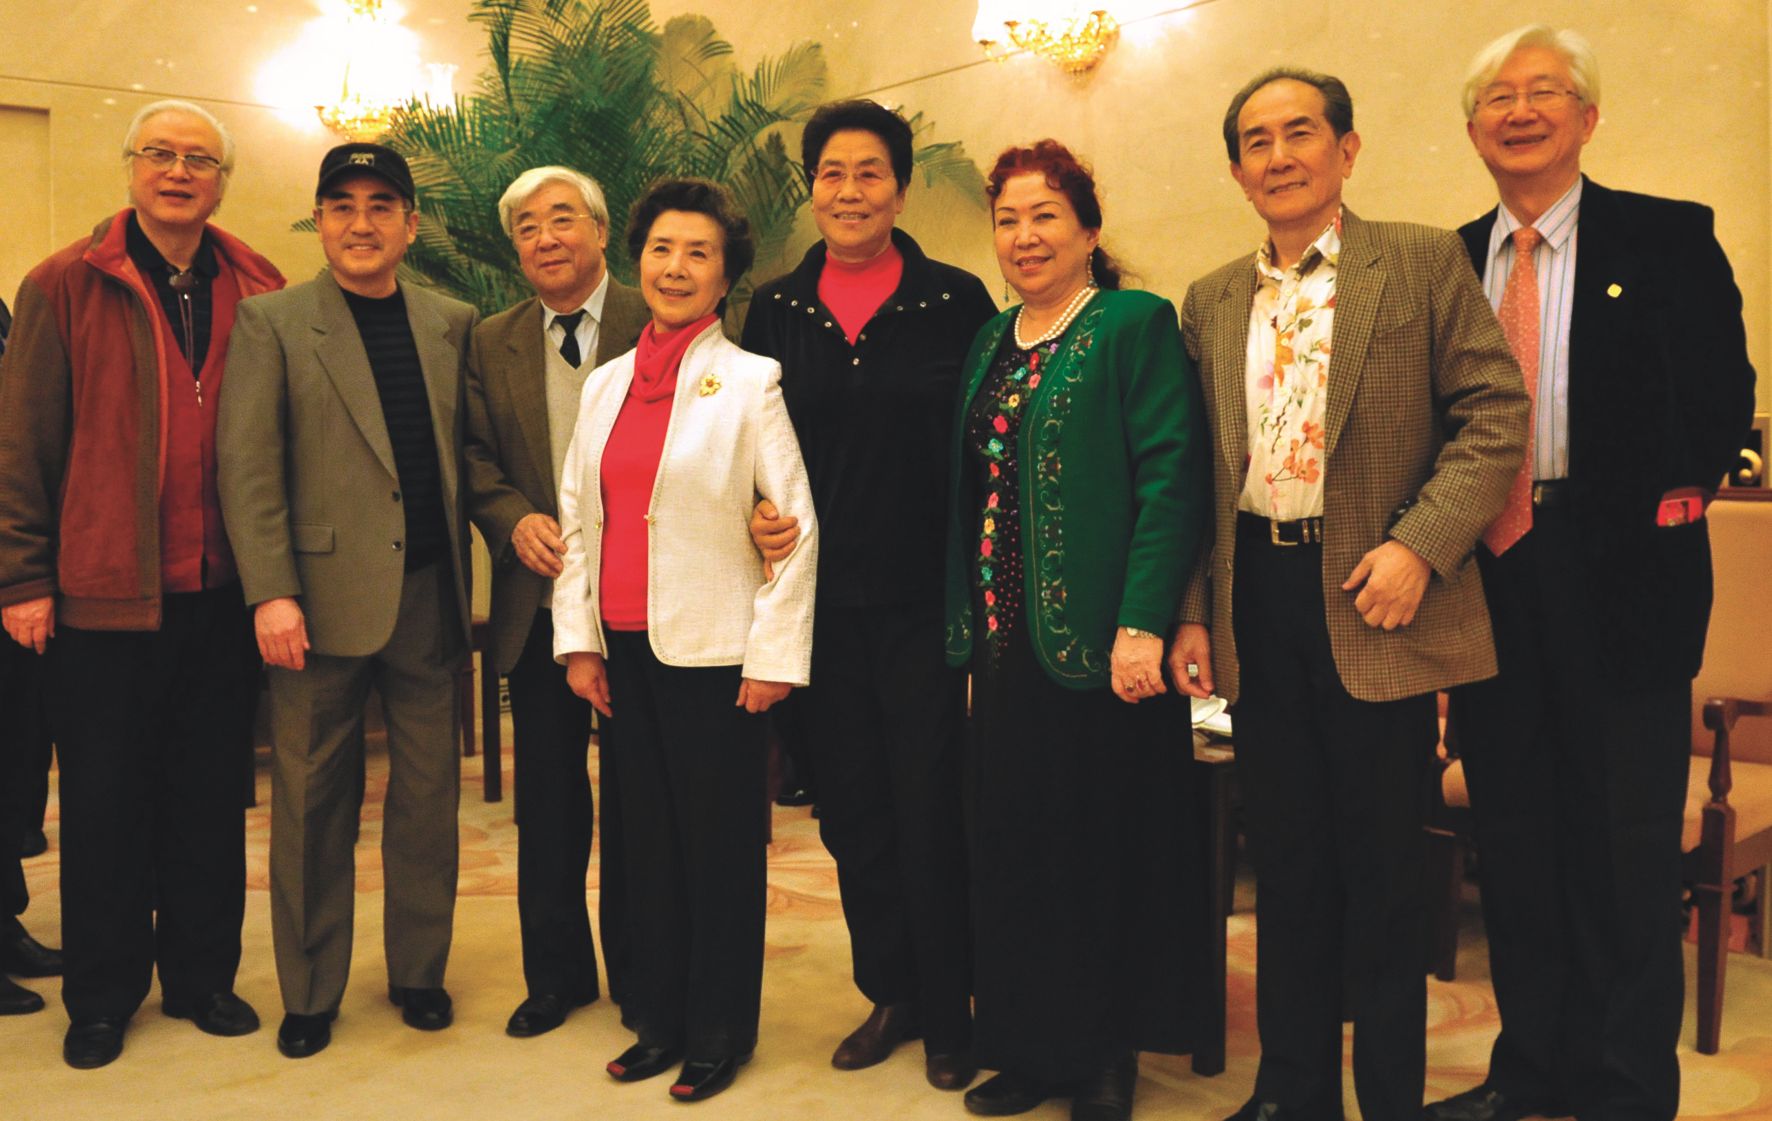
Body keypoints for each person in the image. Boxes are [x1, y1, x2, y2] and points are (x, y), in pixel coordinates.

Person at [1169, 69, 1528, 1121]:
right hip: (1257, 594)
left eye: (1299, 133)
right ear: (1235, 169)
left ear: (1346, 149)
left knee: (1383, 875)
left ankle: (1388, 1101)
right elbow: (1194, 473)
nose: (1278, 155)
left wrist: (1420, 545)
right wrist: (1192, 609)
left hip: (1378, 596)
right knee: (1283, 866)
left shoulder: (1416, 260)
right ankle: (1292, 1092)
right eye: (1256, 141)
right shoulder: (1210, 297)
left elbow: (1494, 413)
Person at [1425, 27, 1757, 1121]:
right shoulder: (1447, 260)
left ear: (1586, 117)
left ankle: (1622, 1088)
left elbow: (1721, 390)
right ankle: (1529, 1068)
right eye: (1497, 97)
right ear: (1472, 128)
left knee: (1622, 848)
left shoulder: (1665, 236)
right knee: (1515, 839)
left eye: (1544, 92)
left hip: (1622, 574)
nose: (1519, 111)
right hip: (1490, 573)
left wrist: (1671, 495)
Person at [0, 99, 284, 1068]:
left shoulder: (258, 283)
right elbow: (22, 444)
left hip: (221, 594)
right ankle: (102, 995)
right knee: (105, 805)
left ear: (221, 181)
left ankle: (202, 978)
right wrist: (22, 575)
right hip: (102, 597)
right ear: (130, 167)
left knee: (209, 801)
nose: (178, 171)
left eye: (199, 159)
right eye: (159, 153)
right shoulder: (63, 284)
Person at [943, 139, 1208, 1121]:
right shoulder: (990, 339)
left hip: (1105, 649)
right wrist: (968, 635)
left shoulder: (1134, 322)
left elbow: (1171, 476)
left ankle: (1102, 1056)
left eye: (1044, 215)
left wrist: (1142, 621)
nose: (1024, 236)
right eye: (1007, 219)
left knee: (1101, 850)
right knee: (1017, 848)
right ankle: (1029, 1048)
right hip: (1008, 649)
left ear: (1089, 230)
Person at [741, 98, 996, 1090]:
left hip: (924, 605)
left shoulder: (954, 300)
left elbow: (986, 448)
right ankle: (889, 989)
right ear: (812, 188)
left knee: (929, 803)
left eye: (869, 172)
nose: (849, 192)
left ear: (900, 186)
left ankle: (949, 1004)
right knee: (850, 808)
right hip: (815, 607)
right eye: (831, 174)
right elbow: (745, 451)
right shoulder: (775, 309)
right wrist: (755, 515)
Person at [554, 177, 816, 1104]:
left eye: (698, 253)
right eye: (662, 249)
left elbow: (795, 528)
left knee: (717, 853)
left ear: (725, 275)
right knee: (646, 848)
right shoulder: (604, 384)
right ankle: (657, 1019)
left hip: (716, 660)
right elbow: (577, 518)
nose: (675, 267)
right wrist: (580, 641)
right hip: (623, 654)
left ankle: (718, 1030)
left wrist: (773, 657)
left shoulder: (750, 382)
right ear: (639, 261)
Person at [217, 142, 478, 1060]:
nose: (360, 223)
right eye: (342, 206)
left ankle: (419, 972)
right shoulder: (273, 323)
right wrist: (271, 592)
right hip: (317, 606)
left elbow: (468, 457)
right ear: (320, 221)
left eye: (380, 206)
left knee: (429, 799)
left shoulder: (452, 321)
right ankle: (311, 989)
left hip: (429, 598)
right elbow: (249, 469)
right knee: (311, 801)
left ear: (411, 224)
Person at [465, 165, 648, 1038]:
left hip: (643, 603)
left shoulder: (656, 316)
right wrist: (512, 519)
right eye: (528, 226)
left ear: (601, 231)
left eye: (563, 218)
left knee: (641, 798)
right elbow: (473, 456)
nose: (546, 237)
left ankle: (644, 971)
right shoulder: (490, 339)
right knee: (547, 800)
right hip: (538, 606)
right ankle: (556, 976)